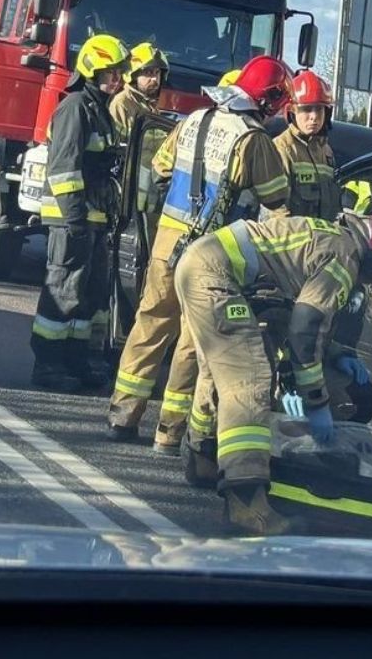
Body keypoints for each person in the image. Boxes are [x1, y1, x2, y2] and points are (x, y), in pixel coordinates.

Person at [175, 213, 372, 535]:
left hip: (202, 265)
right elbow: (305, 329)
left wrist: (335, 353)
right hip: (214, 275)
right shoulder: (344, 258)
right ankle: (247, 503)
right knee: (249, 379)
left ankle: (202, 457)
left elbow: (292, 311)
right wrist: (316, 403)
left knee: (221, 368)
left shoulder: (336, 240)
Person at [107, 55, 293, 450]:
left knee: (151, 323)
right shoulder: (253, 138)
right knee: (192, 340)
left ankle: (122, 414)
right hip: (210, 255)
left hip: (166, 240)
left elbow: (159, 169)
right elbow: (277, 199)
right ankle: (169, 432)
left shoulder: (194, 119)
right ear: (269, 100)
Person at [30, 34, 130, 394]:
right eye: (111, 72)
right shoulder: (75, 107)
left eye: (120, 72)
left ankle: (76, 360)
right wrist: (74, 220)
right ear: (92, 70)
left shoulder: (99, 109)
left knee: (90, 293)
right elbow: (64, 169)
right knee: (64, 290)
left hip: (93, 218)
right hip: (72, 219)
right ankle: (48, 364)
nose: (117, 79)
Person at [271, 69, 341, 221]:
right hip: (295, 236)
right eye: (307, 109)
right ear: (292, 111)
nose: (314, 116)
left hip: (324, 235)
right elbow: (277, 216)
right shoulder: (281, 150)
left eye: (319, 109)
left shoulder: (326, 152)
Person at [110, 42, 167, 140]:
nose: (154, 79)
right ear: (134, 76)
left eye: (157, 72)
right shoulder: (122, 104)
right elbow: (119, 143)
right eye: (148, 72)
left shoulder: (150, 105)